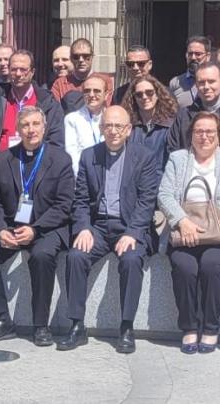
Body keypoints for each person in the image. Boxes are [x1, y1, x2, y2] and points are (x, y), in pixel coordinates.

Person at [58, 106, 162, 354]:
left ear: (128, 129)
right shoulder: (88, 156)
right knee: (76, 256)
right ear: (101, 128)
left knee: (132, 259)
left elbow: (147, 201)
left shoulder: (144, 157)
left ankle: (126, 326)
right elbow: (81, 199)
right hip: (98, 227)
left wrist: (133, 233)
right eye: (108, 126)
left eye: (119, 126)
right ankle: (76, 325)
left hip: (129, 226)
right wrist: (83, 227)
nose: (113, 131)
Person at [0, 106, 75, 346]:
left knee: (41, 256)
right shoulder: (4, 159)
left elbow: (64, 205)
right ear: (18, 129)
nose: (31, 130)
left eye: (35, 124)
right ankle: (1, 319)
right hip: (10, 226)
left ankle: (41, 325)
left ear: (44, 127)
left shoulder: (60, 159)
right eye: (25, 125)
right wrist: (0, 230)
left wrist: (35, 229)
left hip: (46, 228)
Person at [158, 113, 220, 354]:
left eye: (210, 132)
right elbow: (164, 194)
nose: (204, 136)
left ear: (219, 135)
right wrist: (182, 221)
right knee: (185, 268)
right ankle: (190, 327)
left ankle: (211, 328)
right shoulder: (178, 158)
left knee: (211, 266)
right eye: (199, 132)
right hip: (184, 231)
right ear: (191, 135)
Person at [166, 63, 220, 157]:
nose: (206, 87)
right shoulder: (183, 116)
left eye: (211, 81)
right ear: (196, 85)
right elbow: (173, 151)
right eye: (201, 82)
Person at [0, 50, 64, 152]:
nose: (18, 74)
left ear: (32, 72)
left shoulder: (48, 103)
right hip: (3, 165)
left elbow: (56, 141)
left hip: (36, 164)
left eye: (23, 69)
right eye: (14, 69)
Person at [52, 38, 112, 113]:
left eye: (86, 56)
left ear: (92, 57)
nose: (81, 60)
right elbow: (56, 112)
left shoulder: (104, 81)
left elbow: (106, 108)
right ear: (71, 58)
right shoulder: (60, 84)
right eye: (76, 57)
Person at [63, 76, 109, 172]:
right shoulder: (72, 119)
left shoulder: (112, 118)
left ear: (106, 95)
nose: (91, 95)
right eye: (87, 91)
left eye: (96, 91)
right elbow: (72, 154)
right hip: (82, 175)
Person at [122, 76, 177, 155]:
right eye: (139, 94)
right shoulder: (127, 126)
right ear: (134, 98)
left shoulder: (171, 125)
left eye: (149, 92)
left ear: (157, 94)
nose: (144, 97)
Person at [168, 36, 212, 108]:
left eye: (198, 54)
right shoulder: (176, 83)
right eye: (190, 54)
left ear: (208, 56)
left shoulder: (216, 82)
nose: (193, 58)